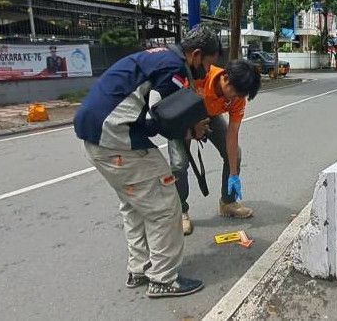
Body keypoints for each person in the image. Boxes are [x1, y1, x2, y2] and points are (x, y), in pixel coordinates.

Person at [73, 25, 221, 298]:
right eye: (207, 65)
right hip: (118, 139)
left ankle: (139, 268)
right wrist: (191, 128)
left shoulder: (158, 56)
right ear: (197, 54)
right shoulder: (174, 68)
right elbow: (158, 119)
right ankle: (163, 278)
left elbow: (153, 114)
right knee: (166, 204)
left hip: (96, 138)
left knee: (134, 204)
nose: (206, 71)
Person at [169, 59, 261, 235]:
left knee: (235, 154)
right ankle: (180, 212)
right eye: (234, 93)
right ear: (225, 78)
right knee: (180, 164)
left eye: (240, 95)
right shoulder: (200, 78)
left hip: (210, 116)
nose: (235, 99)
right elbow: (178, 109)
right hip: (181, 117)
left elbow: (232, 134)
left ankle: (228, 203)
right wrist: (191, 133)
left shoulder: (238, 98)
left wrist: (233, 174)